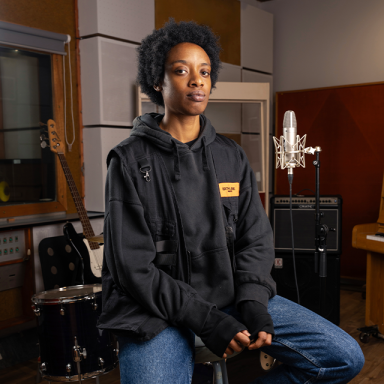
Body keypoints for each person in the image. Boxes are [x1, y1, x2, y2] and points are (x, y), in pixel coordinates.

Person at [97, 19, 364, 384]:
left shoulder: (230, 156)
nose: (197, 80)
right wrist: (206, 320)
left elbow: (255, 240)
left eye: (204, 71)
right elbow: (132, 268)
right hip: (153, 310)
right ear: (157, 82)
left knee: (343, 358)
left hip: (228, 295)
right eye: (181, 70)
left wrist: (253, 301)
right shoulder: (127, 160)